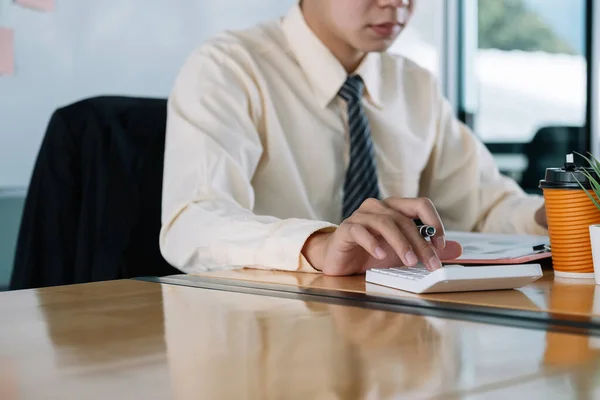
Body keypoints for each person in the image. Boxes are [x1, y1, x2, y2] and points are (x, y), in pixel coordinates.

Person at [160, 0, 548, 277]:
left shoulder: (414, 85)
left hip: (393, 333)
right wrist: (318, 245)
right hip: (267, 327)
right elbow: (193, 221)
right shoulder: (229, 69)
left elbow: (482, 208)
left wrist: (555, 216)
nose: (397, 4)